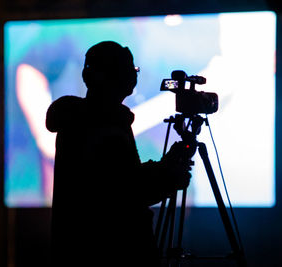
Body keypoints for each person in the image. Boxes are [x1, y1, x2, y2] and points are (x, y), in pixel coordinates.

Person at [46, 41, 191, 267]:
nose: (134, 76)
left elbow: (118, 180)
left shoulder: (82, 118)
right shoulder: (104, 124)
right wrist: (170, 176)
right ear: (114, 75)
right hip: (115, 252)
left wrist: (165, 166)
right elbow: (127, 193)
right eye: (131, 70)